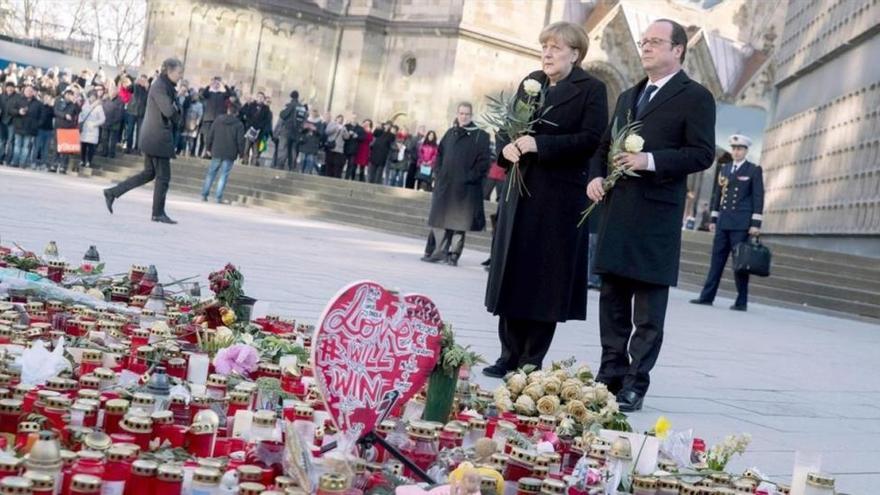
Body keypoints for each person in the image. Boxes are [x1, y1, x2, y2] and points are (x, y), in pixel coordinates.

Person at [587, 19, 716, 411]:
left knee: (647, 310)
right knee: (611, 300)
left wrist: (650, 160)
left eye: (655, 42)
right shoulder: (628, 95)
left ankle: (635, 382)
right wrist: (594, 176)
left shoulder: (695, 97)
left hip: (656, 217)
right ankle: (609, 373)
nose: (646, 48)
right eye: (644, 42)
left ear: (678, 49)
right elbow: (604, 145)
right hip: (617, 211)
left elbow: (702, 154)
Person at [483, 21, 608, 378]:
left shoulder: (592, 89)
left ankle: (530, 359)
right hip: (520, 192)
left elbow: (591, 139)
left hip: (557, 199)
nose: (548, 53)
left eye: (556, 47)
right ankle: (507, 353)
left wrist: (542, 144)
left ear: (575, 53)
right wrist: (505, 148)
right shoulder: (531, 81)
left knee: (543, 278)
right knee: (513, 270)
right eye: (545, 46)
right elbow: (509, 127)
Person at [103, 58, 184, 224]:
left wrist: (176, 108)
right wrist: (176, 109)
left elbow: (173, 110)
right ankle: (158, 213)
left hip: (154, 136)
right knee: (163, 177)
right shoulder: (160, 86)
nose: (180, 76)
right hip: (156, 137)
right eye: (178, 73)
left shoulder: (165, 86)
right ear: (168, 71)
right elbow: (169, 111)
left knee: (149, 173)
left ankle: (112, 192)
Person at [690, 134, 764, 311]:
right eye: (734, 149)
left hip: (741, 223)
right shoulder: (725, 169)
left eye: (740, 149)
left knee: (740, 263)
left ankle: (741, 301)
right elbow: (718, 195)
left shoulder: (753, 170)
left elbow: (758, 197)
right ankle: (707, 296)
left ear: (746, 151)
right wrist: (713, 219)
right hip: (724, 222)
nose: (736, 152)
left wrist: (755, 224)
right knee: (716, 261)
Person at [421, 102, 491, 266]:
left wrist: (468, 177)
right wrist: (438, 172)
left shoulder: (480, 135)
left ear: (471, 115)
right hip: (446, 184)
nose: (463, 116)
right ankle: (438, 252)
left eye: (467, 114)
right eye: (461, 113)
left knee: (460, 223)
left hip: (465, 187)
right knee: (440, 220)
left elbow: (484, 162)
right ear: (457, 114)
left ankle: (453, 255)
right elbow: (440, 154)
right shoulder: (450, 133)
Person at [202, 101, 245, 203]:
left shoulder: (218, 120)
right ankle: (218, 197)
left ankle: (204, 194)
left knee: (211, 173)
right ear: (236, 113)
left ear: (228, 110)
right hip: (230, 152)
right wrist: (242, 154)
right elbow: (240, 141)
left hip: (216, 150)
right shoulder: (239, 124)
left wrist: (208, 148)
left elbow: (210, 134)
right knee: (224, 175)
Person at [199, 76, 233, 157]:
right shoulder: (209, 94)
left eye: (218, 84)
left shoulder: (222, 94)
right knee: (207, 137)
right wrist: (209, 84)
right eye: (215, 84)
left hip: (218, 120)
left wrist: (225, 84)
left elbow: (229, 94)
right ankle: (206, 152)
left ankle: (211, 152)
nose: (216, 85)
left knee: (215, 137)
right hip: (208, 119)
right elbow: (203, 94)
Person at [9, 85, 41, 168]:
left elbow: (41, 117)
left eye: (31, 91)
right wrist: (18, 112)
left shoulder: (38, 103)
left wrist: (36, 125)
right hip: (19, 126)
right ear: (24, 91)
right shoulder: (18, 100)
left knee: (26, 147)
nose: (29, 92)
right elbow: (11, 110)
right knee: (17, 145)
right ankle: (15, 162)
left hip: (30, 128)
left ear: (33, 92)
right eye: (27, 90)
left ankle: (22, 163)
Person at [240, 91, 272, 166]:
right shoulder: (252, 105)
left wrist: (259, 128)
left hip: (259, 131)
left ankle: (253, 163)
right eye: (258, 97)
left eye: (261, 97)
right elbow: (247, 115)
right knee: (246, 148)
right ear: (256, 98)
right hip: (250, 129)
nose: (260, 99)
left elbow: (266, 120)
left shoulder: (266, 108)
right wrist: (251, 126)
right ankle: (245, 161)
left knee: (255, 150)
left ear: (263, 99)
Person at [279, 90, 308, 170]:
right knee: (293, 149)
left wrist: (283, 109)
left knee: (284, 148)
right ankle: (292, 166)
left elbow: (283, 115)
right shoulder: (302, 107)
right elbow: (305, 118)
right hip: (297, 131)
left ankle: (280, 165)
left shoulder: (291, 105)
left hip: (287, 130)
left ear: (291, 96)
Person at [52, 88, 79, 173]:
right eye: (68, 94)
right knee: (56, 147)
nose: (69, 96)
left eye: (71, 95)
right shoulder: (59, 101)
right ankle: (54, 164)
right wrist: (64, 115)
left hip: (68, 128)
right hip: (59, 126)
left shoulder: (73, 104)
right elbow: (56, 111)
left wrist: (76, 103)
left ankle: (63, 166)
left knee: (66, 149)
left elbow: (78, 112)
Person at [78, 90, 106, 169]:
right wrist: (80, 121)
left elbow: (103, 119)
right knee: (83, 145)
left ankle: (89, 161)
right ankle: (82, 160)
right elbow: (81, 114)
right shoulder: (85, 105)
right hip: (85, 128)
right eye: (91, 97)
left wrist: (94, 124)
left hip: (93, 129)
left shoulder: (99, 107)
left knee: (91, 147)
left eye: (94, 97)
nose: (92, 98)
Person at [124, 75, 148, 154]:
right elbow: (128, 89)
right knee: (130, 130)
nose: (142, 82)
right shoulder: (135, 86)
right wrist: (135, 83)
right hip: (132, 111)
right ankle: (128, 147)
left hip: (141, 113)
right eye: (141, 80)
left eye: (144, 80)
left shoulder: (147, 89)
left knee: (140, 132)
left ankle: (138, 148)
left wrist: (147, 88)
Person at [99, 88, 124, 159]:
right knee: (104, 138)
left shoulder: (120, 101)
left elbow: (120, 114)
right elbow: (101, 110)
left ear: (116, 92)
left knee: (112, 140)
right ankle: (104, 152)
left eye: (113, 91)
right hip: (105, 122)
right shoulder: (105, 100)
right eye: (111, 91)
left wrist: (111, 121)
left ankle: (111, 154)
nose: (112, 93)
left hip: (114, 124)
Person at [33, 94, 55, 169]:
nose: (47, 100)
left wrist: (51, 106)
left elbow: (54, 114)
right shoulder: (40, 106)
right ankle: (34, 162)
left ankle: (43, 163)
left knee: (46, 148)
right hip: (40, 129)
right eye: (46, 98)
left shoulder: (51, 108)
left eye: (49, 99)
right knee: (37, 146)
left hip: (48, 130)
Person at [324, 114, 349, 178]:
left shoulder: (344, 127)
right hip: (331, 146)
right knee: (329, 162)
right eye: (339, 119)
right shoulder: (332, 124)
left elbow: (347, 137)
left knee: (337, 164)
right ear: (336, 119)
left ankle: (335, 176)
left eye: (342, 120)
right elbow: (327, 132)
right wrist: (336, 128)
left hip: (339, 149)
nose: (340, 120)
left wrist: (344, 130)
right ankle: (327, 175)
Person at [1, 82, 19, 164]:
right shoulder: (2, 96)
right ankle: (1, 157)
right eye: (8, 87)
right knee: (2, 140)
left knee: (10, 141)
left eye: (12, 87)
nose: (10, 89)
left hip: (12, 121)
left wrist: (13, 112)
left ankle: (8, 159)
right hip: (2, 120)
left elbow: (18, 109)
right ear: (6, 88)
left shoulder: (18, 97)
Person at [343, 115, 365, 180]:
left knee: (351, 164)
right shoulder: (346, 126)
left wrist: (357, 136)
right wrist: (348, 134)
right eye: (353, 118)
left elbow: (362, 138)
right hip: (345, 147)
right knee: (342, 163)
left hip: (354, 149)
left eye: (355, 118)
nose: (354, 119)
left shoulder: (360, 128)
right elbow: (342, 135)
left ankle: (347, 178)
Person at [183, 90, 203, 157]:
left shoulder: (200, 105)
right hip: (186, 122)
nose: (194, 97)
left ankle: (189, 152)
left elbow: (200, 115)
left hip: (194, 123)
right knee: (184, 138)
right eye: (193, 96)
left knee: (191, 139)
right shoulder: (188, 103)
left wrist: (197, 124)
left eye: (196, 96)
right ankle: (183, 151)